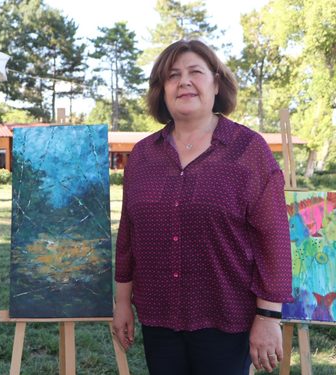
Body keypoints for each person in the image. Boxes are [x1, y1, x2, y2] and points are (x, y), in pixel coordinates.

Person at [112, 39, 293, 375]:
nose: (184, 81)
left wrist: (268, 317)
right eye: (172, 75)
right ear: (161, 89)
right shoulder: (142, 156)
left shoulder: (248, 150)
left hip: (226, 318)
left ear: (216, 82)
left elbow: (274, 240)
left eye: (195, 72)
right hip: (158, 317)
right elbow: (128, 236)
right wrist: (122, 302)